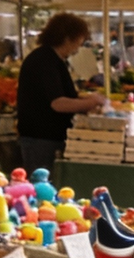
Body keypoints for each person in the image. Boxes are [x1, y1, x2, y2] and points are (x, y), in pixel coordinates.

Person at [15, 12, 110, 170]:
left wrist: (84, 97)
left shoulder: (53, 59)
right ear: (67, 38)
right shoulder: (45, 61)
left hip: (46, 136)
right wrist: (90, 103)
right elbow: (58, 103)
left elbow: (61, 94)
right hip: (41, 137)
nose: (79, 46)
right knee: (42, 186)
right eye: (79, 40)